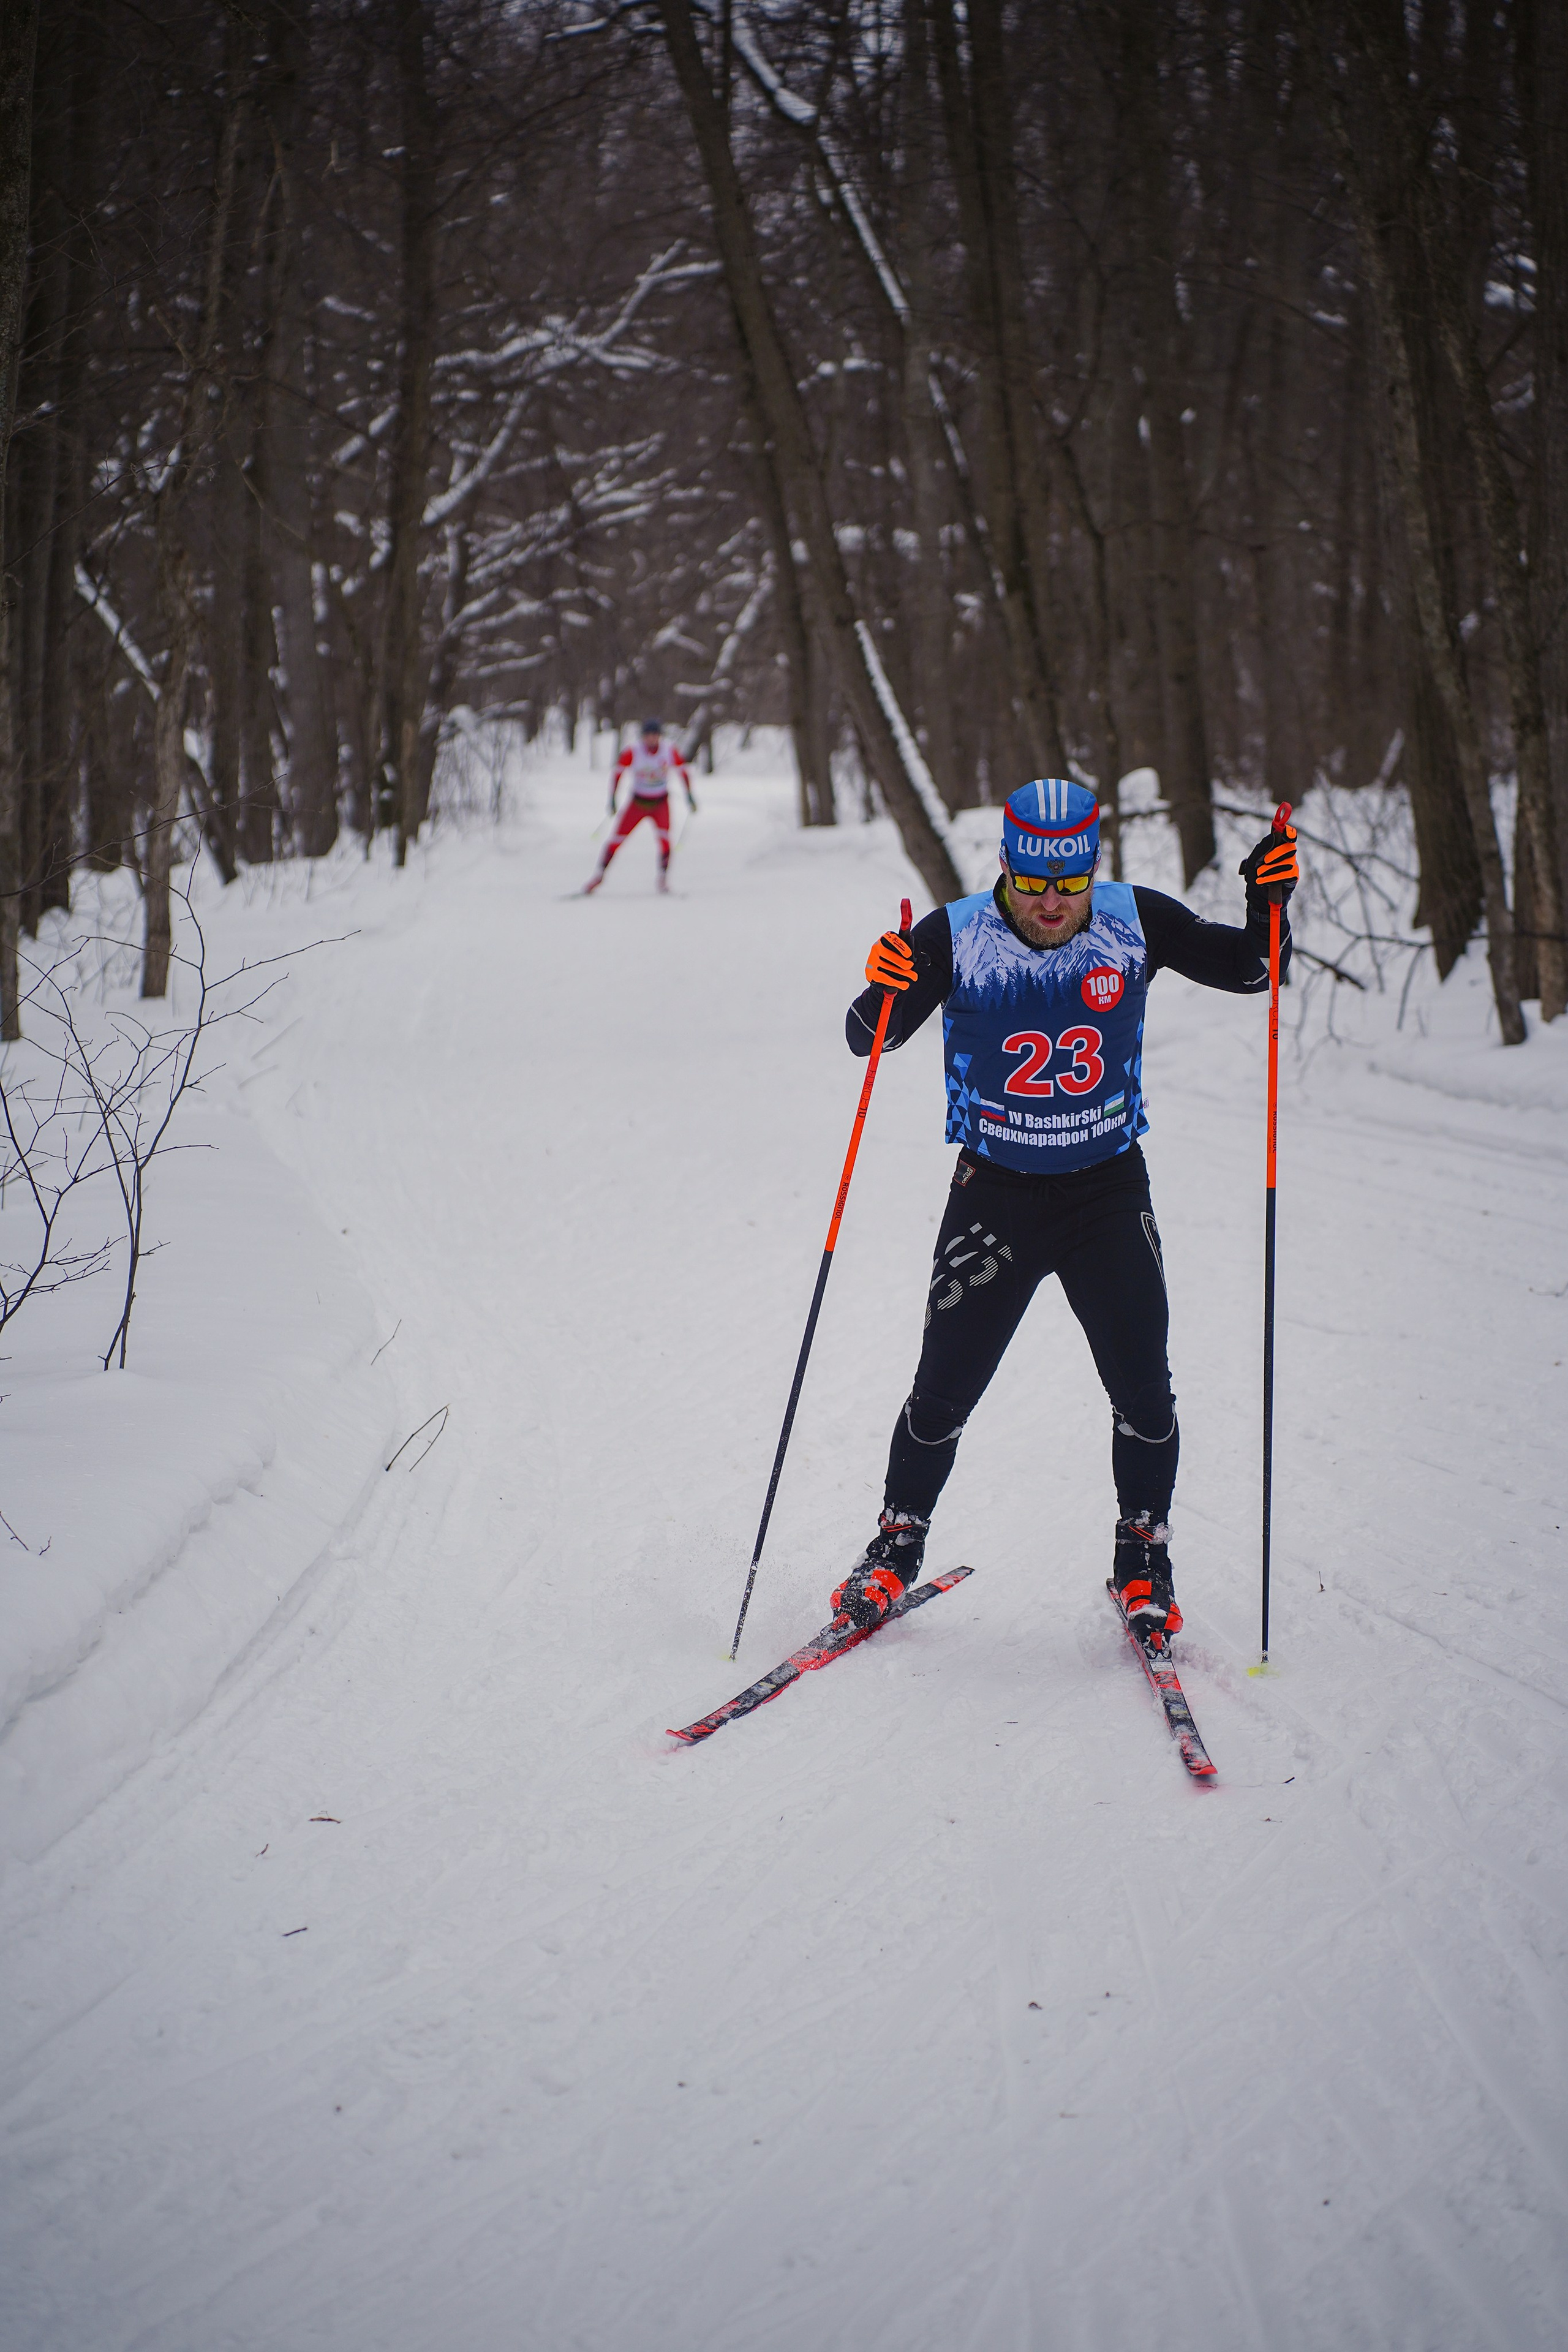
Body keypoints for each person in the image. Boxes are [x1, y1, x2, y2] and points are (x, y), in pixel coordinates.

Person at [830, 777, 1297, 1653]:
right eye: (1034, 883)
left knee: (1144, 1393)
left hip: (1105, 1192)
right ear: (1006, 866)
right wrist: (882, 984)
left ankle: (1142, 1555)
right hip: (995, 1196)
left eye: (1070, 884)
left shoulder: (1135, 919)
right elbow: (869, 1036)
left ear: (1092, 870)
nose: (1051, 903)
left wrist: (1266, 903)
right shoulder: (955, 934)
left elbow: (1252, 969)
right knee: (940, 1394)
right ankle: (894, 1547)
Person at [582, 719, 696, 895]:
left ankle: (663, 879)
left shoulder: (668, 751)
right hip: (638, 803)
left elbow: (683, 772)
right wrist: (612, 798)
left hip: (660, 803)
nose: (652, 739)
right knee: (617, 839)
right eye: (648, 736)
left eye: (655, 735)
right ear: (643, 737)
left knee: (665, 840)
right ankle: (599, 876)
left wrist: (689, 795)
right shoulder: (634, 752)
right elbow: (618, 773)